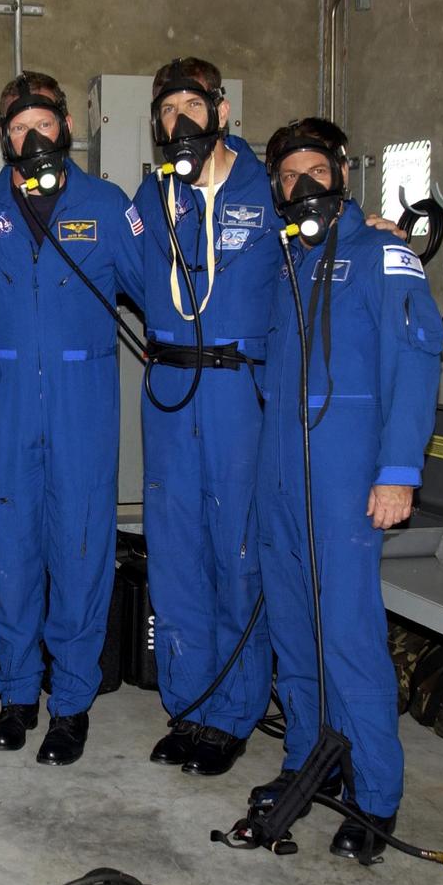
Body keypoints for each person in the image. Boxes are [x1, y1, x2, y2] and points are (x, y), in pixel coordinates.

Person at [0, 72, 145, 766]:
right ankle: (18, 693)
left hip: (82, 406)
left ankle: (72, 703)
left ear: (66, 128)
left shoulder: (107, 205)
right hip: (5, 407)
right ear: (2, 134)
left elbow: (165, 289)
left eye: (43, 123)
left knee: (82, 552)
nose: (32, 137)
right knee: (13, 556)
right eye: (17, 125)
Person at [253, 117, 443, 858]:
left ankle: (374, 796)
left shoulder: (381, 251)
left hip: (346, 477)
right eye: (289, 175)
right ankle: (307, 764)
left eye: (316, 170)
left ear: (341, 173)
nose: (304, 185)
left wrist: (398, 470)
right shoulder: (282, 263)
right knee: (295, 635)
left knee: (351, 641)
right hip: (282, 474)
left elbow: (417, 359)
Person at [133, 58, 275, 776]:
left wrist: (366, 225)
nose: (181, 120)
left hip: (237, 393)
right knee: (177, 553)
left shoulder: (267, 184)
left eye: (195, 104)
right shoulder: (154, 196)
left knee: (238, 552)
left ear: (221, 112)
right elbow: (109, 264)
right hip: (168, 390)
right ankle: (188, 706)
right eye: (168, 109)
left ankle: (234, 711)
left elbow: (323, 237)